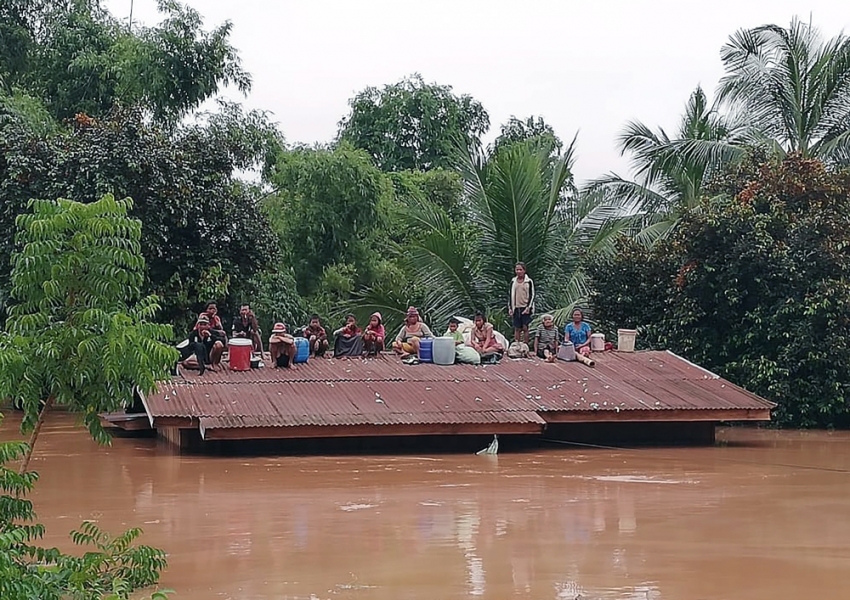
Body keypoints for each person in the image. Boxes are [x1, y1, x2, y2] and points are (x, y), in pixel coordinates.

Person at [508, 262, 535, 346]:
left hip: (525, 307)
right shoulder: (513, 281)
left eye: (520, 269)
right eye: (517, 270)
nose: (518, 271)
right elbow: (510, 295)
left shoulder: (529, 281)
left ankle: (525, 345)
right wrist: (510, 308)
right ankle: (517, 344)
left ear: (524, 270)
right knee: (517, 328)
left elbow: (532, 294)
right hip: (516, 307)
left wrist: (528, 307)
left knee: (525, 327)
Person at [195, 302, 226, 369]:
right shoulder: (203, 316)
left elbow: (222, 334)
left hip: (212, 345)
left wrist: (211, 334)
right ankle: (204, 365)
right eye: (210, 309)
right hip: (201, 350)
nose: (212, 311)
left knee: (219, 344)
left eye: (214, 309)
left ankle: (214, 363)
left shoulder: (216, 319)